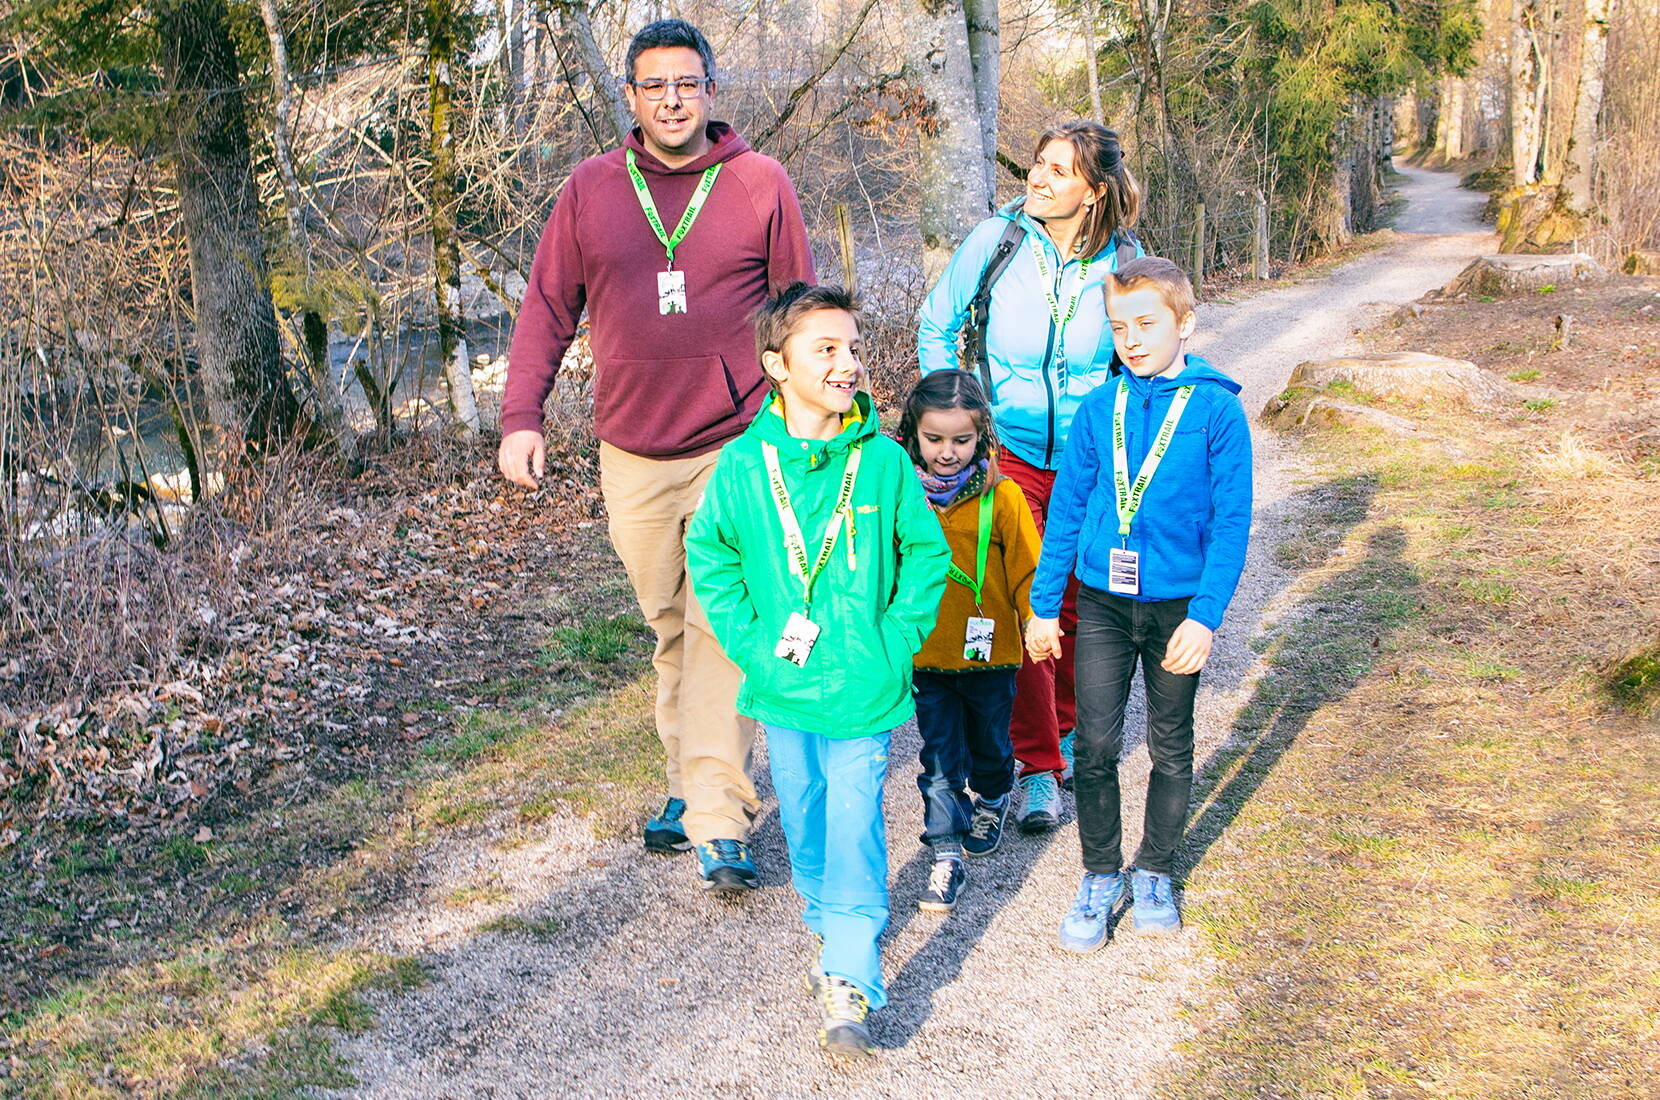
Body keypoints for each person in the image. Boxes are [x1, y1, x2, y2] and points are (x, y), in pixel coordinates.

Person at [497, 19, 814, 892]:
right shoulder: (591, 191)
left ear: (712, 92)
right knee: (670, 624)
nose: (672, 99)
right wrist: (523, 414)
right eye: (654, 86)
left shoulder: (759, 183)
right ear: (631, 98)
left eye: (687, 83)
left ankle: (718, 817)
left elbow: (799, 313)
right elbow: (546, 311)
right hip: (630, 450)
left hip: (738, 445)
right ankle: (689, 783)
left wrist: (816, 420)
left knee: (719, 627)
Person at [686, 283, 950, 1058]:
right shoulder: (741, 466)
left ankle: (850, 975)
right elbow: (712, 557)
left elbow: (926, 557)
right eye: (826, 349)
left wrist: (895, 640)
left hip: (865, 686)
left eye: (854, 349)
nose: (848, 364)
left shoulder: (884, 463)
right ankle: (825, 922)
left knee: (855, 821)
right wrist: (752, 643)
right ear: (777, 364)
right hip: (783, 684)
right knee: (802, 815)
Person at [917, 121, 1143, 835]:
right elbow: (936, 323)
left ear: (1093, 191)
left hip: (1090, 459)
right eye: (1037, 166)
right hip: (1006, 452)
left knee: (1076, 605)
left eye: (1056, 170)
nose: (1036, 179)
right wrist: (955, 418)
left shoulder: (1126, 262)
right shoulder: (999, 241)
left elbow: (1150, 355)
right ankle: (1040, 765)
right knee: (1026, 609)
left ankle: (1066, 729)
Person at [1024, 257, 1251, 950]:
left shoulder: (1217, 409)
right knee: (1093, 742)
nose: (1130, 339)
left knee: (1171, 743)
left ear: (1185, 323)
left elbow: (1232, 521)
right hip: (1103, 605)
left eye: (1146, 324)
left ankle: (1153, 868)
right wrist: (1040, 606)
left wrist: (1206, 617)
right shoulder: (1098, 411)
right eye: (1118, 326)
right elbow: (1064, 513)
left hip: (1178, 610)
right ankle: (1099, 874)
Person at [895, 370, 1042, 913]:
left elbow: (1028, 567)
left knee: (989, 746)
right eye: (934, 439)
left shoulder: (1003, 499)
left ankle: (995, 796)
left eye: (962, 440)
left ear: (982, 437)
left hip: (991, 654)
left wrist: (1035, 621)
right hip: (927, 654)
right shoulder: (903, 496)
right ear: (914, 435)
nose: (948, 452)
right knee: (937, 758)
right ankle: (944, 852)